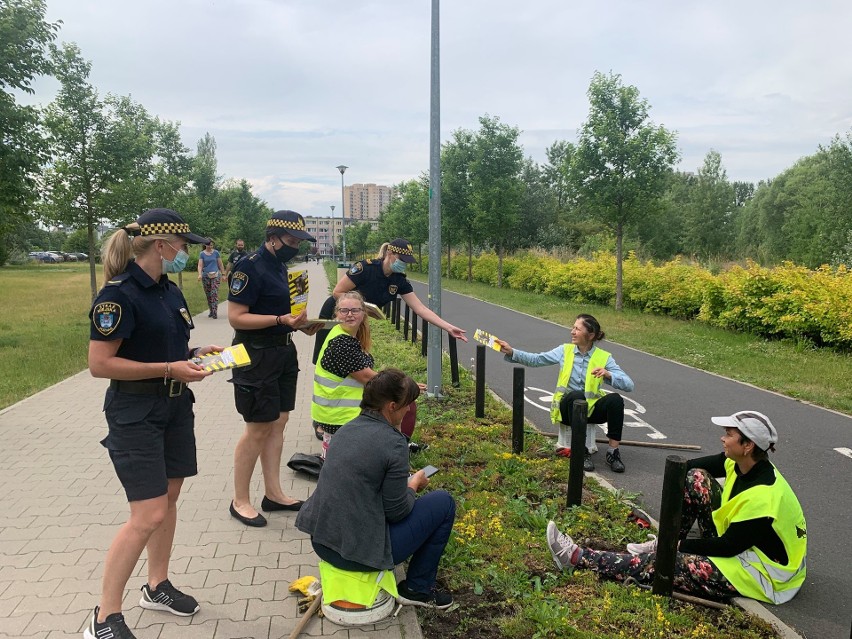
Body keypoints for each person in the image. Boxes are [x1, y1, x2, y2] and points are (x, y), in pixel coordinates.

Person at [85, 209, 223, 639]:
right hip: (136, 414)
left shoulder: (170, 292)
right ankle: (105, 617)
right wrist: (169, 368)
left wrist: (196, 353)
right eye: (184, 247)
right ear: (161, 246)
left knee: (169, 499)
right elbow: (100, 364)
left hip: (175, 409)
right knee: (146, 515)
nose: (188, 254)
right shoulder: (118, 295)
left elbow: (166, 347)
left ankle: (157, 585)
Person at [546, 411, 807, 604]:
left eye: (729, 435)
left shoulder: (764, 496)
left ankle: (577, 558)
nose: (722, 438)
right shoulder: (744, 463)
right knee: (695, 479)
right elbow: (689, 468)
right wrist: (676, 474)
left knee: (663, 562)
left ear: (747, 445)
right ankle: (668, 542)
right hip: (744, 546)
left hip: (764, 573)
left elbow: (728, 547)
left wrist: (676, 548)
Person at [296, 368, 457, 609]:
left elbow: (360, 482)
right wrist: (412, 486)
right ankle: (418, 588)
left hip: (321, 541)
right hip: (357, 555)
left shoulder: (346, 429)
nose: (409, 411)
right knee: (444, 503)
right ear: (392, 406)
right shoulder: (394, 443)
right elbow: (397, 512)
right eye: (407, 406)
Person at [227, 210, 321, 527]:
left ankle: (274, 493)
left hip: (282, 353)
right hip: (254, 356)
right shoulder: (248, 268)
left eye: (299, 241)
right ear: (272, 238)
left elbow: (285, 314)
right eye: (291, 240)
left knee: (277, 424)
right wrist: (280, 321)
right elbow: (237, 317)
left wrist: (301, 326)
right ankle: (240, 500)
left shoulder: (282, 268)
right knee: (257, 428)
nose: (296, 246)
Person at [496, 313, 634, 473]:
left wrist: (609, 375)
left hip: (590, 410)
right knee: (577, 396)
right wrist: (511, 352)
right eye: (573, 327)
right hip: (568, 410)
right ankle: (581, 451)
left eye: (577, 329)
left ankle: (613, 453)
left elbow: (629, 385)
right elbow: (536, 359)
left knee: (616, 400)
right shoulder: (564, 350)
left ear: (591, 335)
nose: (572, 332)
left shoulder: (604, 357)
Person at [312, 238, 467, 364]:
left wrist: (448, 327)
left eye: (406, 262)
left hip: (357, 320)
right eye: (402, 260)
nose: (404, 264)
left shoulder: (399, 280)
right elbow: (338, 292)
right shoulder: (366, 268)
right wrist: (363, 308)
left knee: (352, 361)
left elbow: (420, 309)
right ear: (390, 253)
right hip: (335, 314)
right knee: (326, 359)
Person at [312, 291, 376, 457]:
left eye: (354, 310)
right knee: (346, 463)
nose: (349, 315)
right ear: (336, 314)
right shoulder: (342, 342)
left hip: (338, 414)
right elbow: (367, 377)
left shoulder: (344, 334)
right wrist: (401, 384)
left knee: (338, 461)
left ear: (363, 313)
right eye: (344, 311)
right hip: (341, 416)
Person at [197, 240, 224, 318]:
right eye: (209, 245)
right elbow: (200, 265)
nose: (210, 246)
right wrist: (199, 274)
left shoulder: (216, 253)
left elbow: (220, 264)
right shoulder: (202, 254)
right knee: (208, 294)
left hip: (215, 275)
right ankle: (211, 310)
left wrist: (223, 273)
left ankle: (215, 312)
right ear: (205, 245)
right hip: (206, 275)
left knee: (214, 293)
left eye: (211, 245)